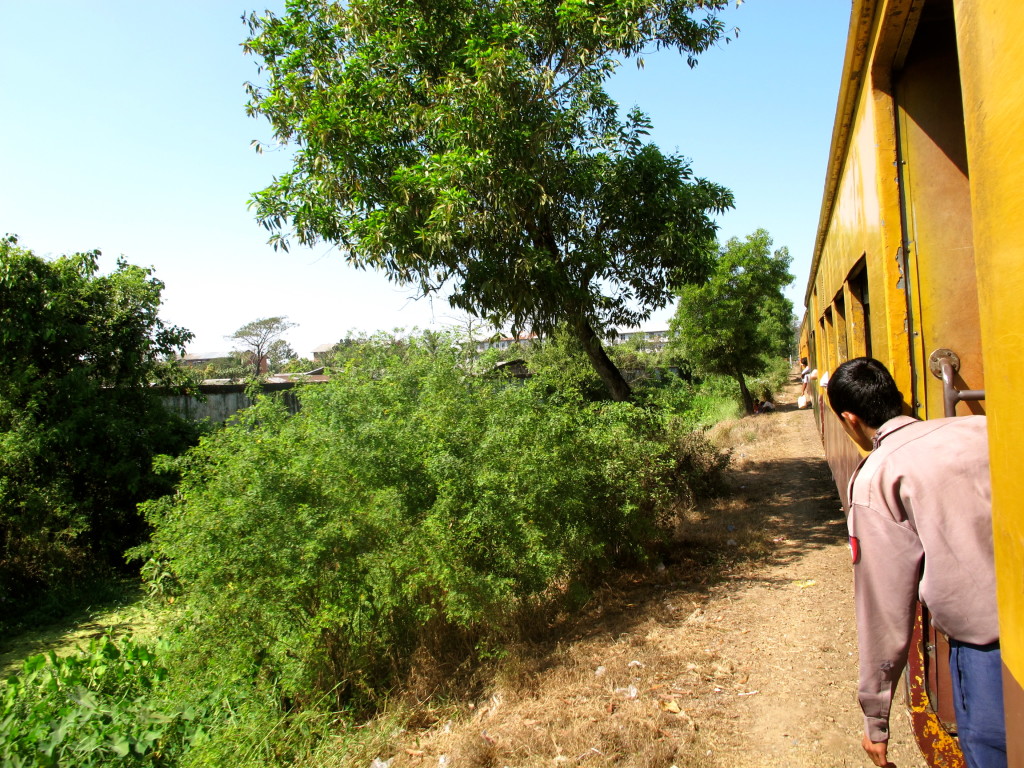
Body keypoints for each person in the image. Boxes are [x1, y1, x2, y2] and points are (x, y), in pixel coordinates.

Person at [826, 357, 1004, 768]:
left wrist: (876, 717)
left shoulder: (879, 476)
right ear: (897, 396)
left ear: (850, 420)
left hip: (989, 656)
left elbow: (884, 609)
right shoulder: (982, 428)